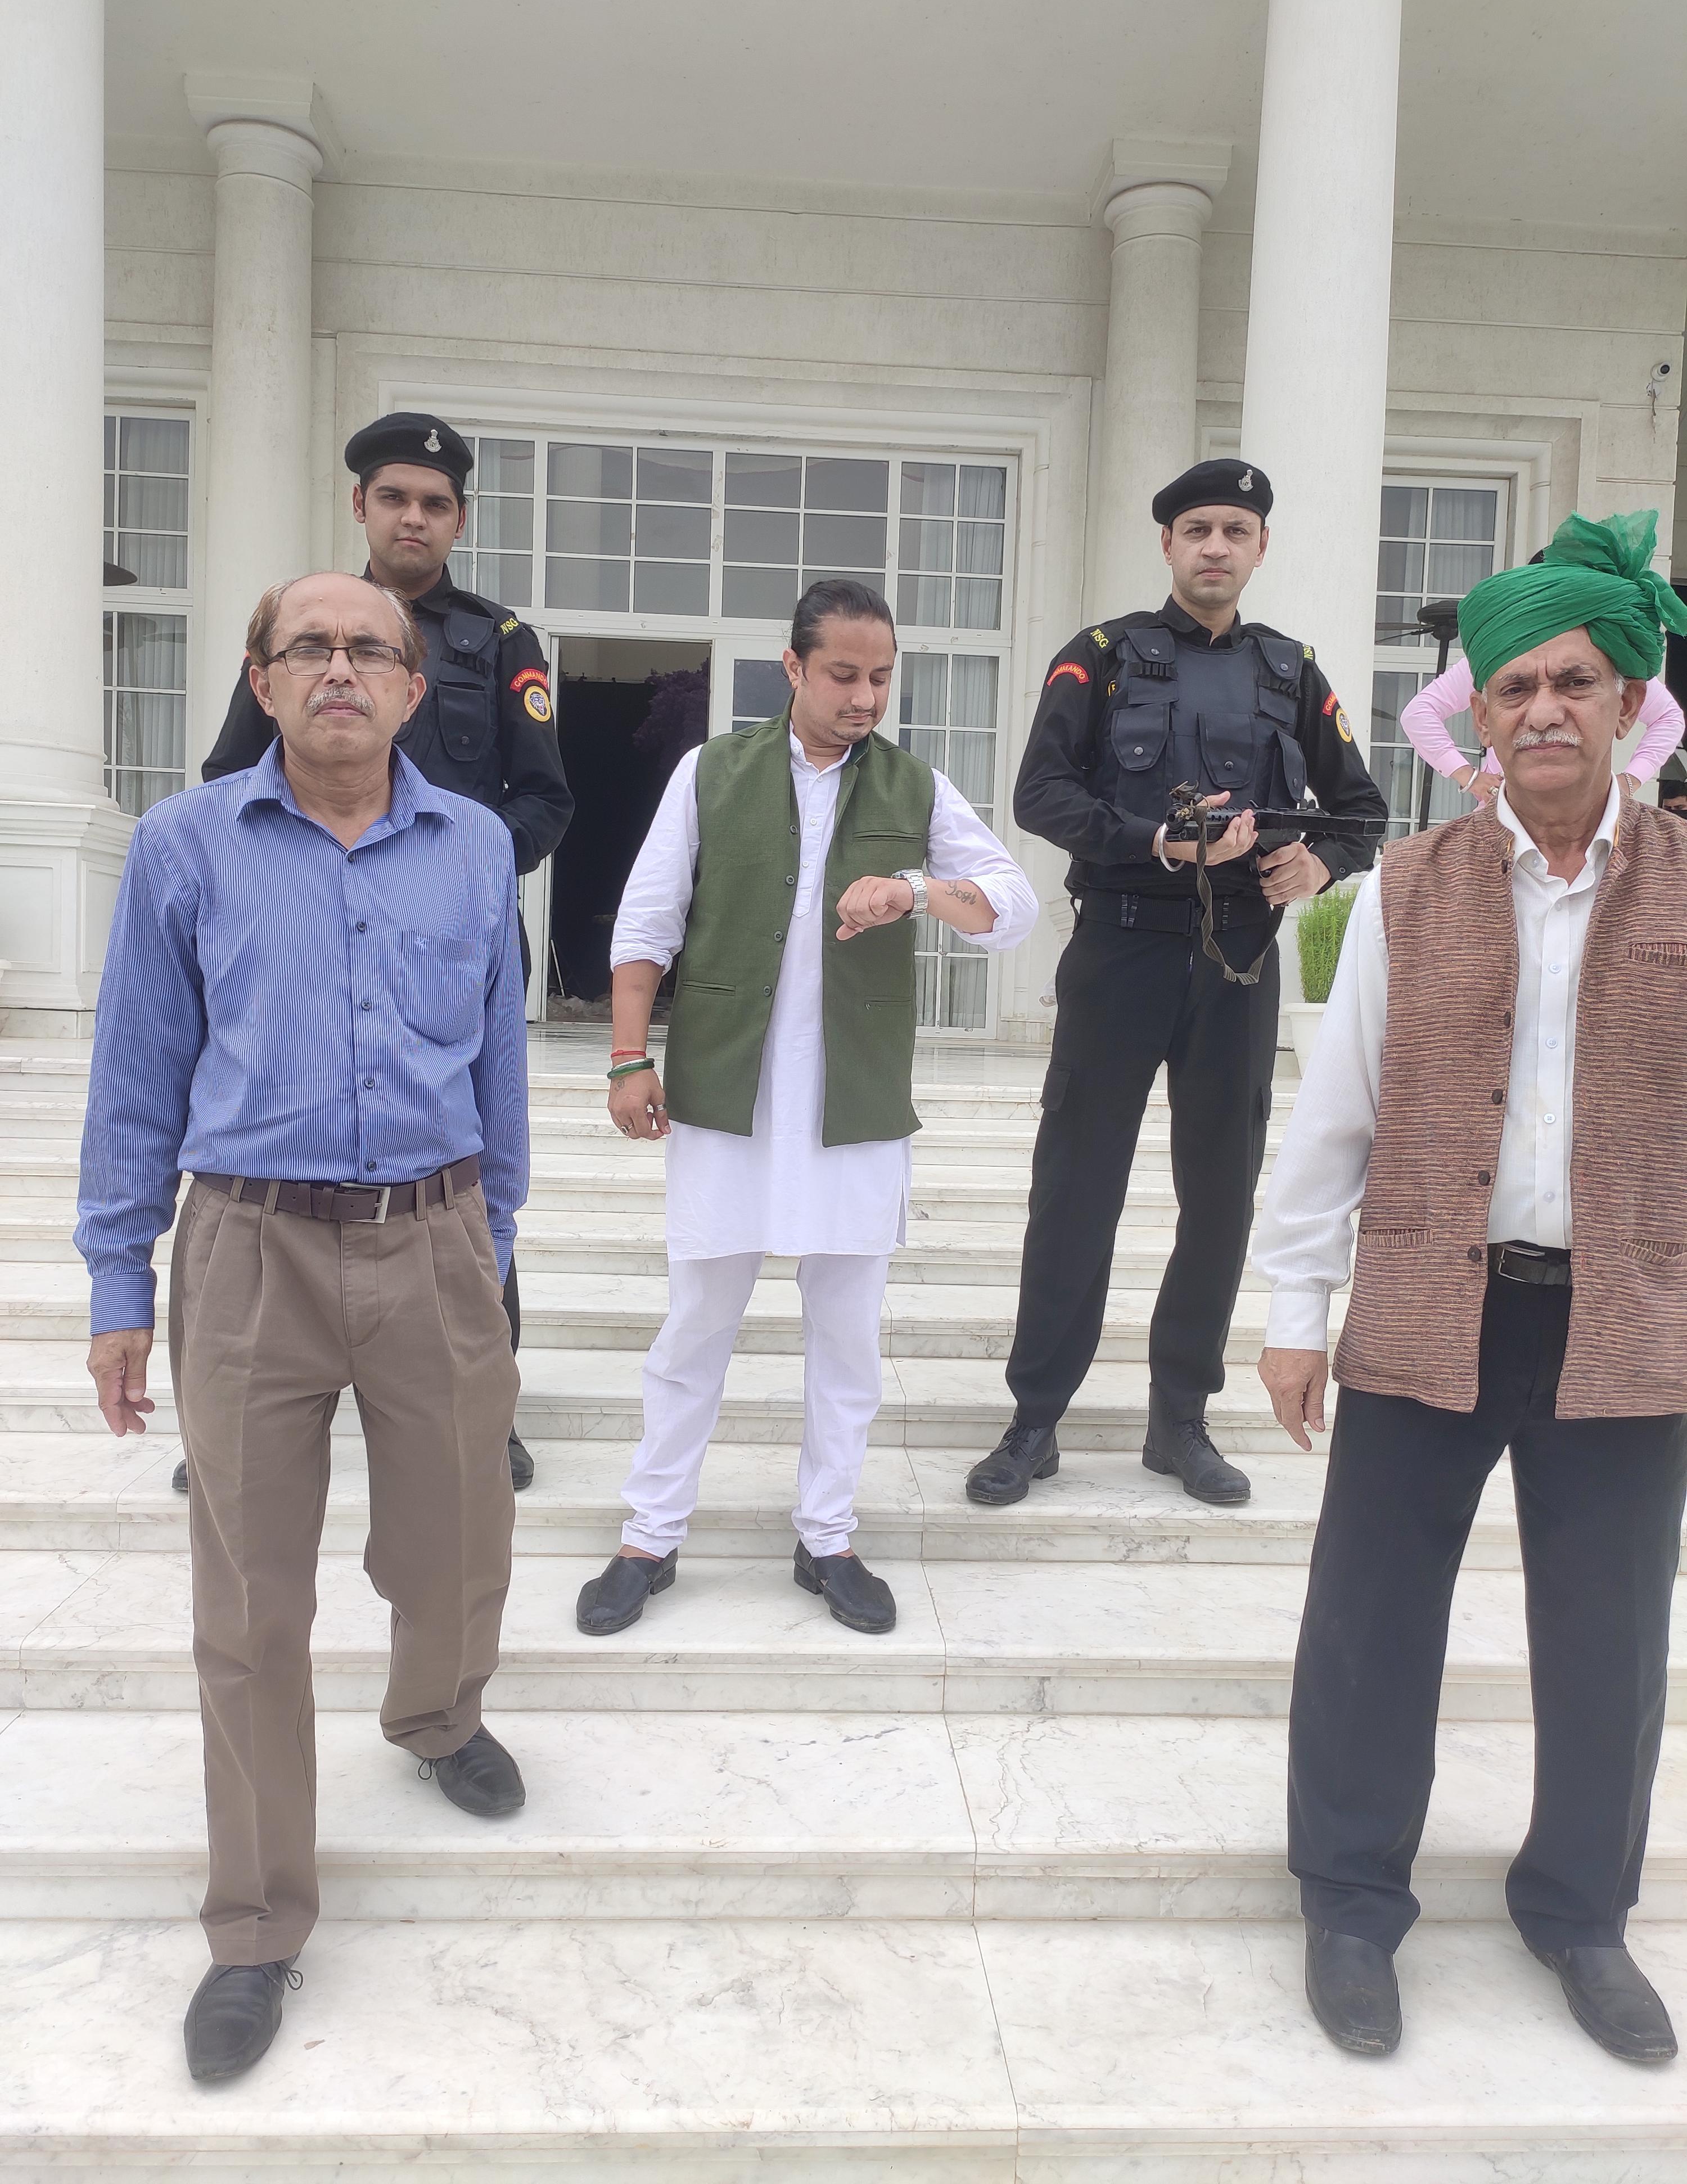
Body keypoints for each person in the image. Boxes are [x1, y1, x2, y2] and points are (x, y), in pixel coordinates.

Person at [76, 573, 531, 2084]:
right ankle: (258, 1924)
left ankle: (437, 1713)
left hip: (436, 1239)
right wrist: (120, 1284)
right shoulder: (183, 845)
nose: (341, 667)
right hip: (249, 1252)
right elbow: (136, 1071)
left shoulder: (473, 849)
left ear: (412, 686)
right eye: (309, 647)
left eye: (369, 649)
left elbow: (500, 1063)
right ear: (262, 679)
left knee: (456, 1539)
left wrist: (491, 1250)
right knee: (250, 1602)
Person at [1254, 509, 1687, 2063]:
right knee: (1369, 1616)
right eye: (1514, 687)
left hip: (1625, 1315)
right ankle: (1350, 1899)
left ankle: (1578, 1910)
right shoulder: (1402, 889)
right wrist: (1294, 1310)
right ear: (1479, 718)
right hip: (1429, 1299)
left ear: (1627, 699)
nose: (1544, 709)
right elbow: (1338, 1114)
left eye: (1573, 681)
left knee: (1610, 1635)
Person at [574, 579, 1038, 1639]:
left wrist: (916, 890)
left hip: (853, 1106)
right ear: (792, 668)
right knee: (695, 1327)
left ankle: (828, 1535)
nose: (865, 697)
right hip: (725, 1097)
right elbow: (647, 920)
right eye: (843, 675)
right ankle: (650, 1534)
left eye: (881, 678)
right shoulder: (710, 772)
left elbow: (1012, 910)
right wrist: (626, 1060)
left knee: (848, 1338)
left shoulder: (916, 786)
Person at [966, 460, 1387, 1512]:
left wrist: (1319, 865)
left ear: (1260, 547)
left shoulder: (1293, 672)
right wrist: (1154, 842)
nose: (1215, 547)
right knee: (1076, 1185)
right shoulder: (1103, 657)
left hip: (1238, 959)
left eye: (1235, 530)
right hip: (1121, 947)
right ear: (1167, 544)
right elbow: (1040, 794)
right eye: (1197, 528)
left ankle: (1181, 1419)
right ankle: (1035, 1418)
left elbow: (1361, 812)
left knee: (1220, 1194)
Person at [195, 410, 569, 1494]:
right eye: (395, 498)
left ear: (460, 521)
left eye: (436, 504)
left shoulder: (501, 642)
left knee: (464, 1156)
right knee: (281, 1144)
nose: (415, 518)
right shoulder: (305, 627)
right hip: (303, 940)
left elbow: (544, 798)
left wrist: (455, 870)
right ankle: (235, 1402)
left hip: (450, 946)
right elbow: (227, 780)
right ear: (360, 505)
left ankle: (484, 1405)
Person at [1400, 644, 1682, 806]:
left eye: (1578, 684)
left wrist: (1631, 779)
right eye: (1515, 690)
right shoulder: (1497, 653)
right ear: (1481, 716)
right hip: (1503, 816)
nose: (1544, 715)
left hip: (1594, 814)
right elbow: (1419, 714)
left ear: (1626, 706)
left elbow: (1668, 718)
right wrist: (1467, 776)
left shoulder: (1607, 654)